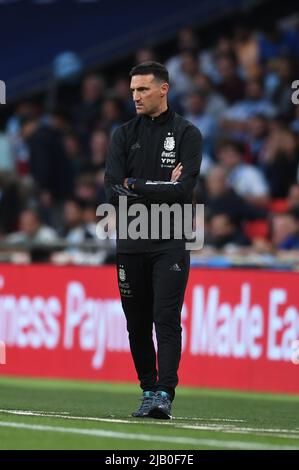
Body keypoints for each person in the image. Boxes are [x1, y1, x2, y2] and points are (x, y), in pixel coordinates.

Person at [105, 61, 202, 419]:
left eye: (143, 89)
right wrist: (161, 186)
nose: (136, 96)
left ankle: (164, 392)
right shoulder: (123, 135)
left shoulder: (188, 134)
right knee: (136, 322)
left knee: (166, 317)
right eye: (132, 90)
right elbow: (113, 192)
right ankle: (148, 389)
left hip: (171, 240)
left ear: (163, 89)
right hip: (131, 239)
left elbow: (184, 191)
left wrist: (137, 184)